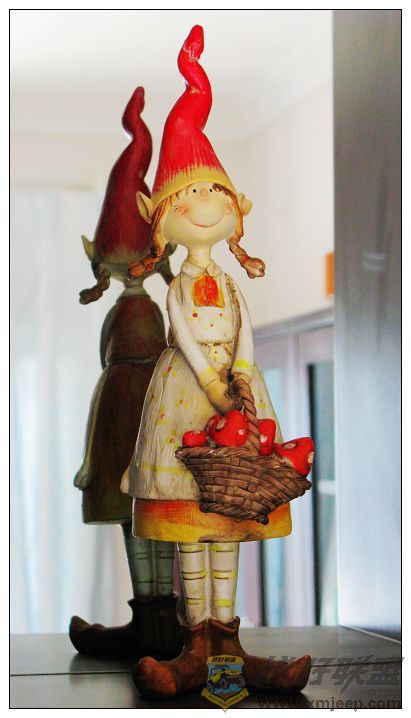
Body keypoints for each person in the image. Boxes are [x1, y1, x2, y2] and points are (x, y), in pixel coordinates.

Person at [120, 27, 311, 696]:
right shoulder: (176, 285)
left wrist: (243, 375)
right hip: (186, 394)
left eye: (214, 194)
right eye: (187, 197)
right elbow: (183, 333)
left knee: (230, 516)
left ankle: (226, 644)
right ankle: (195, 640)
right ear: (162, 217)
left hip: (235, 390)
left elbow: (244, 333)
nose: (203, 207)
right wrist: (211, 379)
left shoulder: (229, 284)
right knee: (190, 523)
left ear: (234, 210)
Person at [69, 87, 182, 660]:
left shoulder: (144, 326)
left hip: (147, 420)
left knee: (156, 513)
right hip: (126, 424)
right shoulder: (132, 326)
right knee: (138, 515)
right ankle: (155, 616)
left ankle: (162, 617)